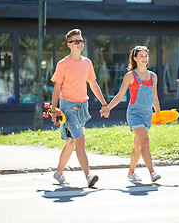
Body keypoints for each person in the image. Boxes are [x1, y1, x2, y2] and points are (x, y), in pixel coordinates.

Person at [50, 29, 110, 187]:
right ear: (69, 44)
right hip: (68, 106)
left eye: (81, 41)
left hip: (83, 106)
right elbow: (56, 88)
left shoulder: (87, 63)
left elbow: (93, 84)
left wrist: (104, 103)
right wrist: (53, 109)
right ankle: (88, 175)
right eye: (76, 41)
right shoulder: (62, 64)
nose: (80, 43)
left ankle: (58, 173)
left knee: (71, 141)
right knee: (80, 139)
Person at [106, 45, 161, 182]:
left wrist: (158, 114)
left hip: (147, 114)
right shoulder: (130, 76)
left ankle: (131, 173)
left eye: (146, 56)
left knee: (138, 146)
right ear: (135, 58)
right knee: (145, 142)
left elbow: (154, 97)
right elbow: (120, 96)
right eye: (141, 56)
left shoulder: (153, 76)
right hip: (134, 113)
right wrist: (108, 108)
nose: (144, 58)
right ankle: (152, 172)